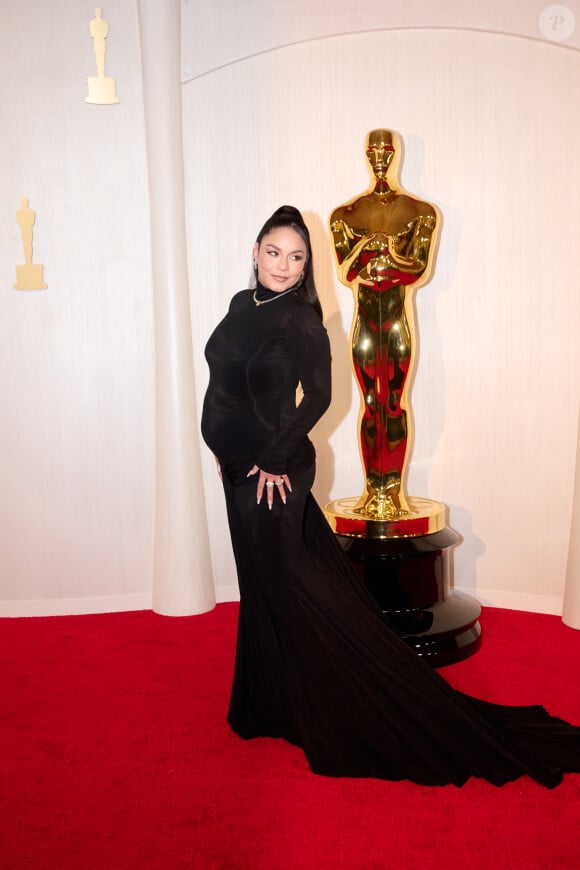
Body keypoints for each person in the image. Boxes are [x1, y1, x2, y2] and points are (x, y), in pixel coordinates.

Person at [201, 205, 580, 787]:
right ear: (255, 251)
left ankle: (351, 705)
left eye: (296, 257)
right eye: (274, 252)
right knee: (260, 584)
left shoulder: (301, 322)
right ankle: (270, 704)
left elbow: (320, 396)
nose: (284, 265)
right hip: (237, 467)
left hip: (272, 471)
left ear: (307, 266)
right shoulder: (239, 305)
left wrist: (274, 456)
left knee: (289, 588)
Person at [330, 129, 438, 519]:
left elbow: (417, 269)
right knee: (369, 402)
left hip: (395, 321)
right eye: (373, 149)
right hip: (364, 323)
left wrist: (385, 253)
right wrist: (369, 251)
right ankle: (372, 492)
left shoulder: (419, 211)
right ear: (365, 154)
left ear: (398, 155)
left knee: (393, 401)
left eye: (386, 149)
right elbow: (346, 271)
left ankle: (392, 492)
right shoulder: (345, 214)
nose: (379, 155)